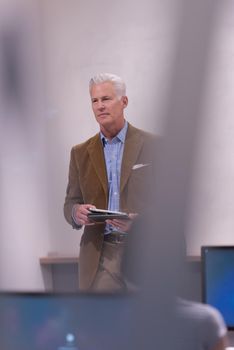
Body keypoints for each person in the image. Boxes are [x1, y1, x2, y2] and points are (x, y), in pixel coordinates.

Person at [64, 73, 156, 292]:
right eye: (94, 101)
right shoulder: (80, 153)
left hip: (144, 254)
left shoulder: (154, 146)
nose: (99, 106)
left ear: (123, 101)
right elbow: (69, 204)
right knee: (104, 324)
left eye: (106, 99)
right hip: (100, 257)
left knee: (145, 325)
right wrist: (77, 212)